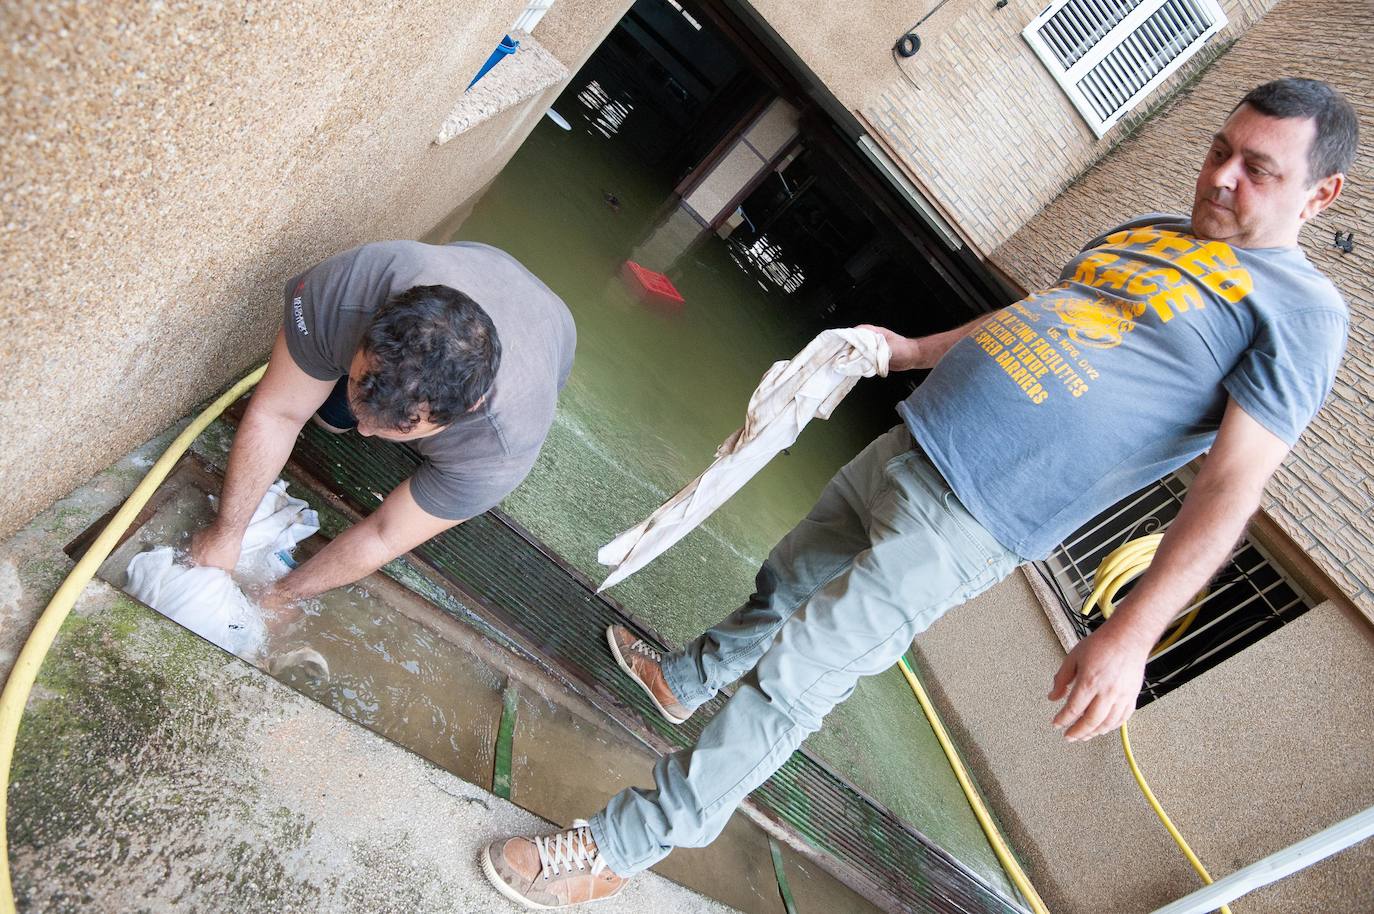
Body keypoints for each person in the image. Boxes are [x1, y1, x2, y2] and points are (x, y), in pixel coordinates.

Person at [480, 78, 1357, 908]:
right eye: (1219, 150)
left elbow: (1234, 483)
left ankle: (620, 849)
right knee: (782, 580)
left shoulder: (1303, 313)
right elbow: (1031, 317)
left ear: (1320, 196)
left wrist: (1131, 636)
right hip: (915, 438)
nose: (1221, 177)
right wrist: (904, 350)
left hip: (974, 519)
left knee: (797, 678)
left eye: (1259, 170)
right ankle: (685, 678)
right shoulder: (1151, 229)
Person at [191, 241, 575, 616]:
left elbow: (384, 535)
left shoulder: (500, 447)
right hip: (486, 259)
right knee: (329, 417)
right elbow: (278, 414)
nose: (367, 434)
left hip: (553, 327)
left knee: (356, 422)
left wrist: (282, 595)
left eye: (400, 428)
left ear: (468, 409)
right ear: (369, 330)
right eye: (362, 383)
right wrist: (225, 535)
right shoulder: (345, 288)